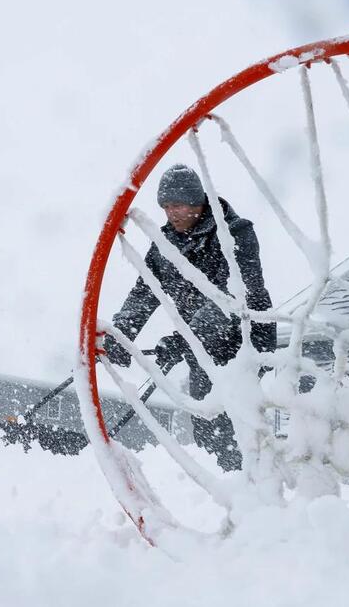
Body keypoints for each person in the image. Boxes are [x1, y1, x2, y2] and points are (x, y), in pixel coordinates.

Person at [103, 163, 275, 471]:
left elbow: (235, 295)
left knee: (233, 421)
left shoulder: (234, 233)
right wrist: (122, 332)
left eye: (178, 205)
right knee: (207, 423)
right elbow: (146, 290)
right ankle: (218, 483)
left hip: (245, 343)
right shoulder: (165, 245)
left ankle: (249, 484)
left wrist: (183, 340)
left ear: (197, 202)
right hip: (200, 346)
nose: (172, 213)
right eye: (166, 207)